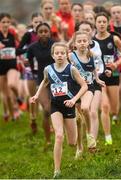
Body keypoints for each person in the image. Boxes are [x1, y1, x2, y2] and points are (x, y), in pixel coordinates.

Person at [30, 42, 87, 178]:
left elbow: (84, 86)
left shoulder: (72, 69)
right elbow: (44, 81)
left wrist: (74, 100)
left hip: (69, 105)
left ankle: (78, 136)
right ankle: (57, 171)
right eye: (57, 53)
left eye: (62, 53)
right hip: (55, 106)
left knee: (71, 143)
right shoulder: (48, 69)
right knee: (59, 135)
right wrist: (37, 95)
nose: (60, 55)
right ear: (53, 55)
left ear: (66, 54)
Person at [69, 31, 105, 156]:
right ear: (74, 44)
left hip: (89, 87)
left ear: (89, 42)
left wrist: (98, 79)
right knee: (78, 121)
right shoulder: (71, 56)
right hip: (75, 89)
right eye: (79, 41)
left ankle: (90, 135)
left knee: (85, 108)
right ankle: (79, 147)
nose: (82, 43)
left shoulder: (92, 54)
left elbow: (94, 69)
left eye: (84, 41)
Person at [94, 12, 121, 145]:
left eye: (104, 22)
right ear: (95, 24)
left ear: (108, 23)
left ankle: (114, 117)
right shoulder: (91, 40)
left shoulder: (114, 39)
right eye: (99, 22)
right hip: (99, 77)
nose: (101, 24)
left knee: (114, 109)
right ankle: (108, 137)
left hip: (112, 76)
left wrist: (115, 64)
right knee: (105, 107)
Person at [27, 22, 55, 145]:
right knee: (47, 109)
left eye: (46, 31)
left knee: (58, 108)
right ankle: (48, 140)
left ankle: (61, 131)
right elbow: (29, 60)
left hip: (57, 80)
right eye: (41, 31)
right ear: (37, 34)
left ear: (50, 32)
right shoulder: (32, 47)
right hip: (42, 81)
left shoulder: (55, 44)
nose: (43, 33)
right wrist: (35, 72)